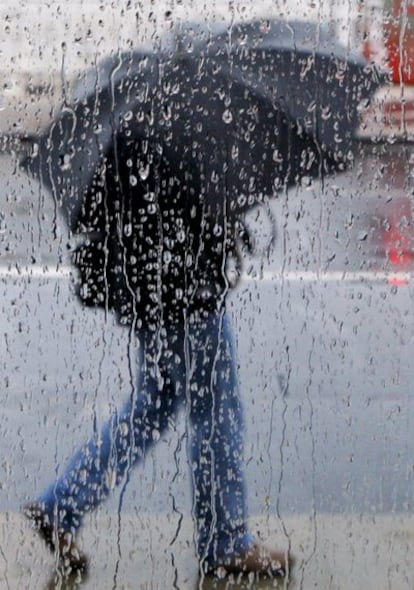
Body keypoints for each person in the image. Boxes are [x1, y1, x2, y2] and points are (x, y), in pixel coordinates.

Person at [23, 72, 292, 588]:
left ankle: (64, 503)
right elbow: (199, 214)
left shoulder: (124, 133)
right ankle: (227, 543)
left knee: (154, 402)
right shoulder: (192, 127)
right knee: (217, 410)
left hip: (148, 297)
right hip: (191, 295)